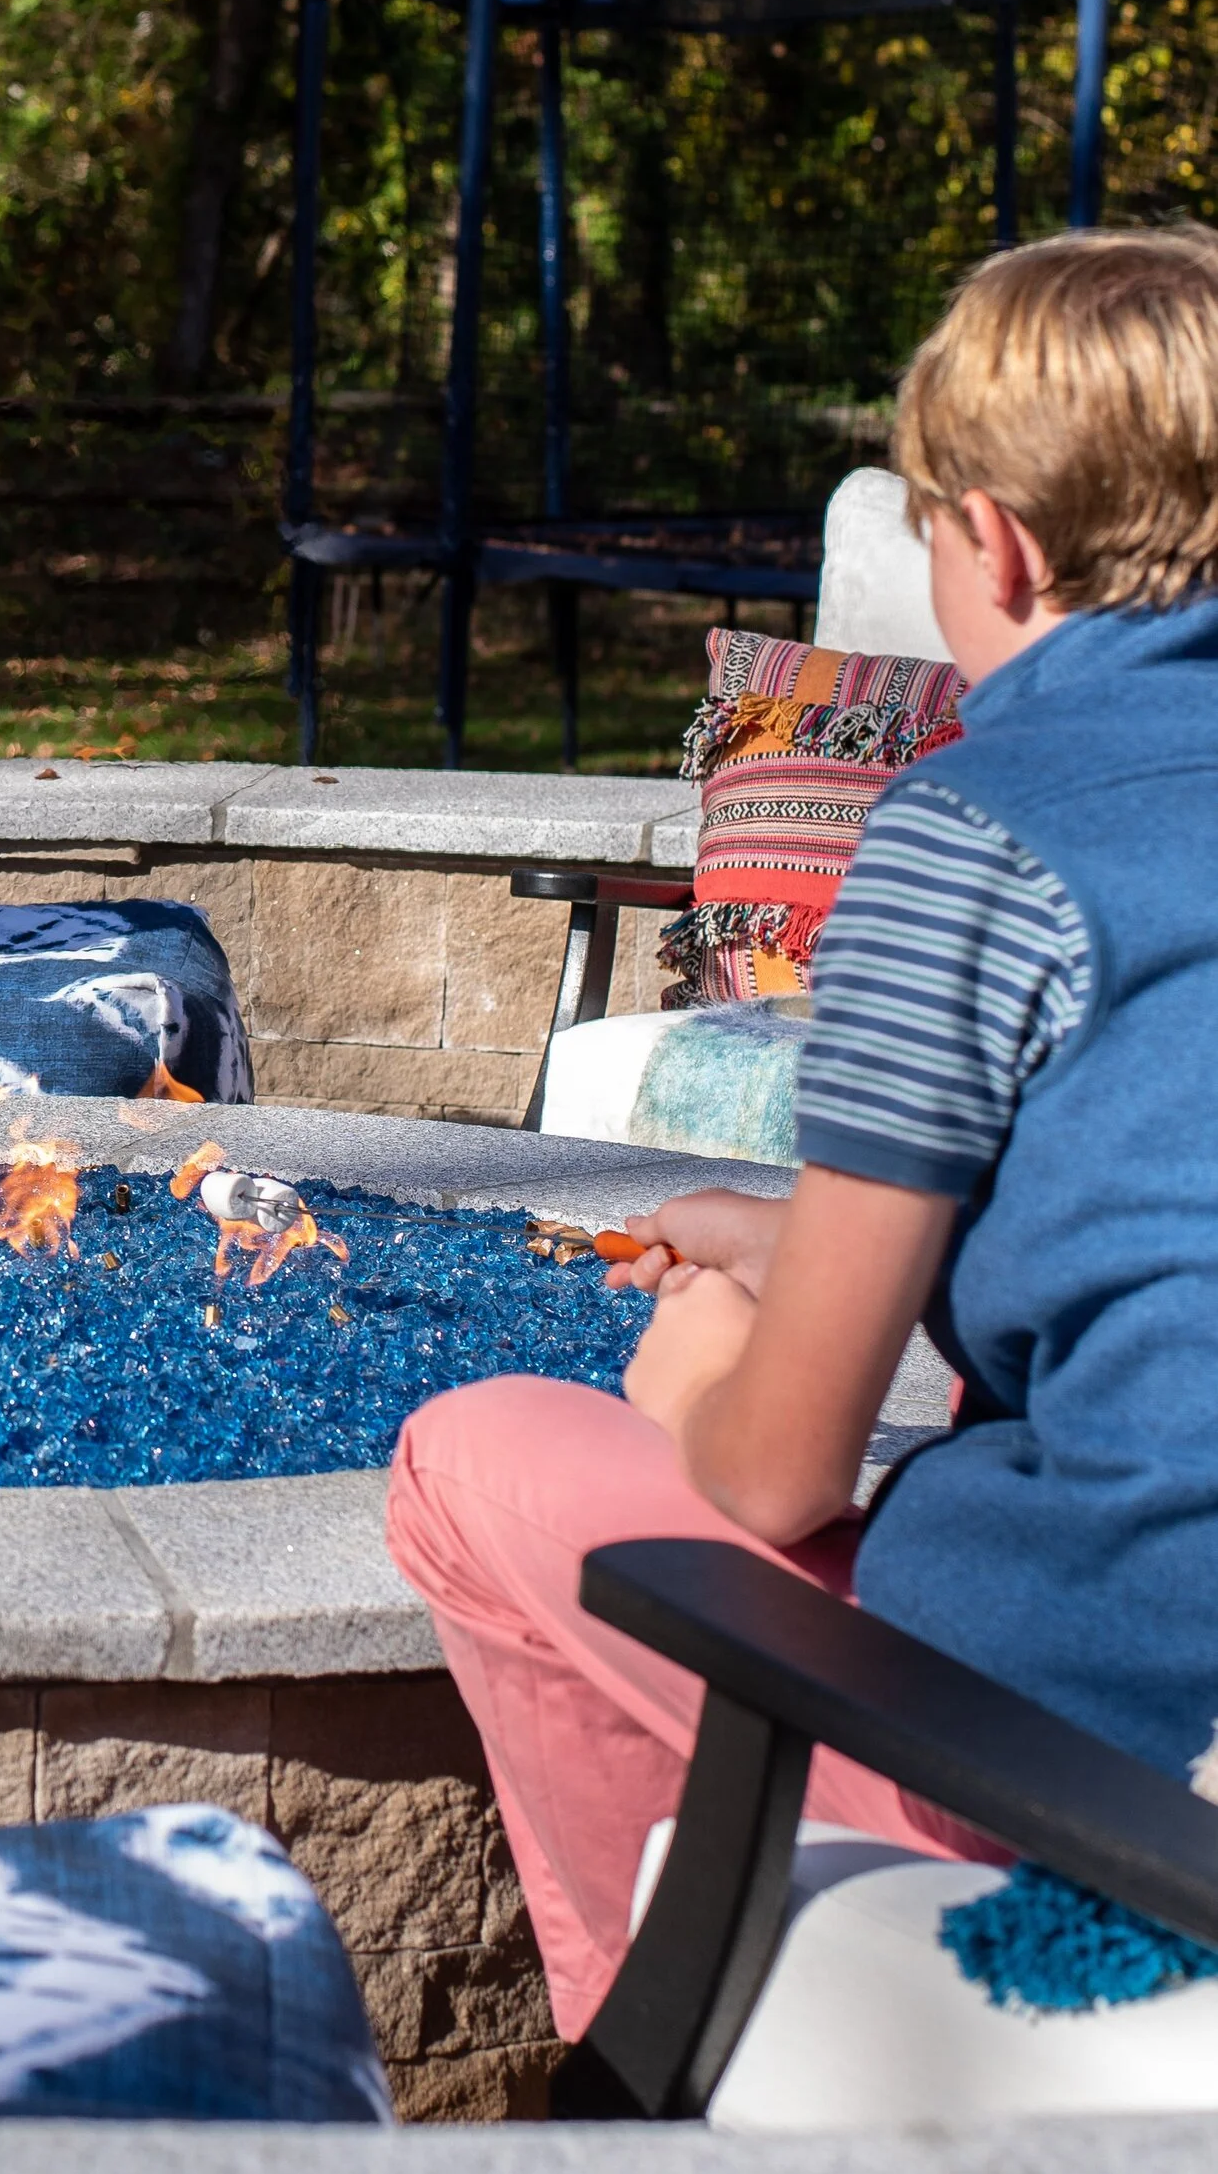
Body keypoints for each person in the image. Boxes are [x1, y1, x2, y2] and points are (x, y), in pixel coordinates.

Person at [386, 223, 1218, 2041]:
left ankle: (686, 2062)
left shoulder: (983, 827)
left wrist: (700, 1373)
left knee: (471, 1455)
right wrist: (800, 1244)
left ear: (990, 537)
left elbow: (780, 1483)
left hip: (1118, 1784)